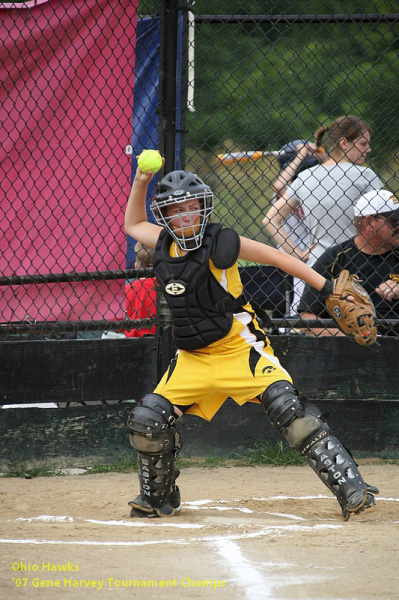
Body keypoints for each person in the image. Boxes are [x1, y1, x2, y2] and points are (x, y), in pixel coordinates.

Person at [123, 163, 378, 521]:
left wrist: (326, 288)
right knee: (147, 420)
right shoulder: (163, 243)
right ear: (164, 215)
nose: (185, 216)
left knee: (290, 411)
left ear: (203, 207)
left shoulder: (222, 242)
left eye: (191, 207)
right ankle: (158, 497)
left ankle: (351, 486)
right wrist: (142, 179)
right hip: (193, 358)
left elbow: (279, 257)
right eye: (175, 210)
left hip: (238, 349)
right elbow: (132, 224)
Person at [263, 115, 383, 267]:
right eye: (363, 144)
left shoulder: (305, 177)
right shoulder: (365, 175)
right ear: (344, 143)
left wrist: (298, 255)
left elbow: (270, 219)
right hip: (358, 264)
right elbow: (386, 221)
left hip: (317, 266)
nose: (368, 149)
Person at [298, 189, 399, 336]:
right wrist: (353, 338)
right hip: (348, 350)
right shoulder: (336, 258)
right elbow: (307, 318)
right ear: (369, 222)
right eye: (394, 221)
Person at [271, 139, 323, 315]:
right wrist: (302, 155)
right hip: (289, 251)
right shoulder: (287, 192)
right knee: (293, 301)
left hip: (312, 251)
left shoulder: (317, 189)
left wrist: (321, 155)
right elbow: (279, 185)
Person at [124, 241, 156, 338]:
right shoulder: (167, 287)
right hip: (164, 337)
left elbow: (118, 324)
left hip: (134, 341)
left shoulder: (128, 289)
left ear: (136, 267)